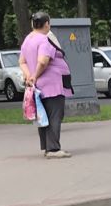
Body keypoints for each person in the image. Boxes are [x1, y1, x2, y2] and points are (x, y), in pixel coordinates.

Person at [19, 11, 73, 159]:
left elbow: (22, 61)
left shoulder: (28, 40)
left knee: (43, 116)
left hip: (38, 85)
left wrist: (29, 76)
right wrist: (35, 76)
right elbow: (43, 61)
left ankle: (47, 147)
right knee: (55, 114)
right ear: (47, 24)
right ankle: (54, 149)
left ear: (32, 24)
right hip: (51, 84)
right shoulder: (44, 39)